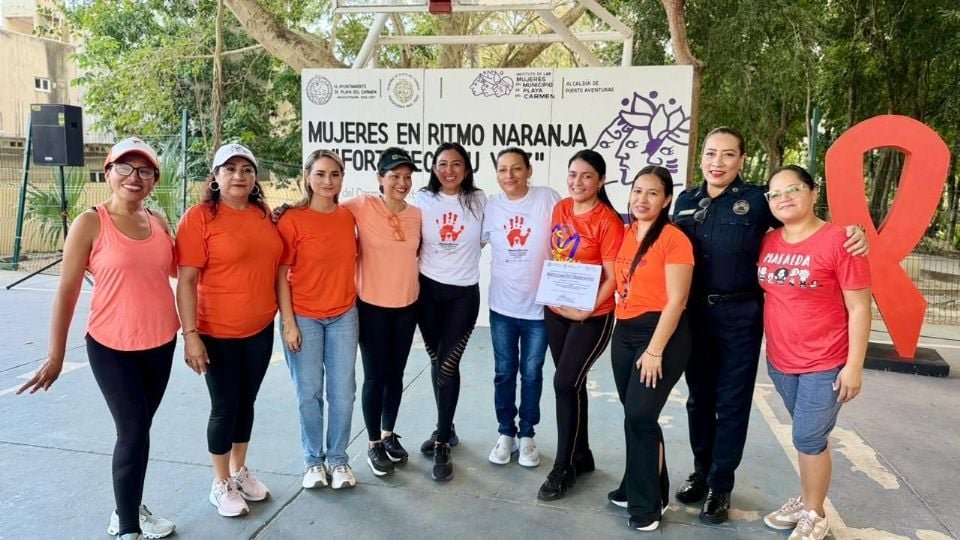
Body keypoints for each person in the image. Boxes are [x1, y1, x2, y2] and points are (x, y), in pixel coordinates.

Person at [672, 127, 868, 524]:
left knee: (731, 403)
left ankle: (719, 486)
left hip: (740, 317)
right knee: (698, 399)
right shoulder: (686, 200)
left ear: (741, 160)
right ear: (701, 157)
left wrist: (855, 231)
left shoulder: (757, 200)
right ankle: (700, 471)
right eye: (711, 153)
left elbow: (800, 221)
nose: (717, 162)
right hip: (694, 315)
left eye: (728, 155)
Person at [18, 137, 179, 540]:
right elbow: (67, 291)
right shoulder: (90, 223)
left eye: (144, 170)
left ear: (154, 179)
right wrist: (55, 355)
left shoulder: (158, 222)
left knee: (140, 430)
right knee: (133, 431)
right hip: (111, 347)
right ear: (108, 172)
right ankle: (127, 528)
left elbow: (184, 273)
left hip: (160, 342)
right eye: (124, 167)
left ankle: (129, 504)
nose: (134, 177)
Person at [758, 165, 870, 540]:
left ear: (813, 191)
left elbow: (859, 308)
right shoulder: (769, 241)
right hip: (781, 360)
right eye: (774, 194)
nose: (783, 198)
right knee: (809, 438)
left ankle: (815, 513)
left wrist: (854, 366)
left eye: (793, 189)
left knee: (808, 438)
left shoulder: (841, 240)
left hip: (825, 361)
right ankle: (806, 498)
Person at [175, 143, 282, 517]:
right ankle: (220, 482)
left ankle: (239, 471)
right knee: (224, 406)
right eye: (230, 169)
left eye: (246, 169)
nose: (239, 176)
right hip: (216, 331)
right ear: (216, 176)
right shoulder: (199, 217)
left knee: (246, 402)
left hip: (259, 328)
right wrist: (191, 335)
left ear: (254, 178)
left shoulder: (264, 214)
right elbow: (186, 281)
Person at [608, 166, 693, 532]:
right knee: (635, 414)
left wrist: (655, 350)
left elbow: (677, 301)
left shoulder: (675, 239)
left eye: (653, 193)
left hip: (660, 334)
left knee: (641, 417)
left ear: (667, 199)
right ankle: (639, 487)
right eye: (637, 191)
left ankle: (647, 507)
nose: (642, 199)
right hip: (624, 331)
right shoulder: (627, 232)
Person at [538, 149, 625, 501]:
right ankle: (582, 454)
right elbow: (556, 253)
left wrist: (586, 309)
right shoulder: (561, 208)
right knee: (572, 384)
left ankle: (563, 467)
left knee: (563, 383)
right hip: (557, 310)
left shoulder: (608, 221)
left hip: (593, 316)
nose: (577, 182)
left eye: (586, 176)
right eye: (573, 174)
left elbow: (614, 275)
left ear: (600, 181)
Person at [275, 150, 359, 490]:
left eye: (335, 175)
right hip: (304, 316)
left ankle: (338, 460)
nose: (328, 181)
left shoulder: (347, 217)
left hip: (343, 315)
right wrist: (289, 322)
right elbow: (281, 275)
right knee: (308, 392)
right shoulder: (292, 220)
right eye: (321, 174)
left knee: (343, 392)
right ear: (308, 176)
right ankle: (313, 461)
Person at [341, 148, 422, 478]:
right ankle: (373, 442)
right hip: (372, 306)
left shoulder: (416, 214)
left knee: (396, 374)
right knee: (375, 376)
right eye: (394, 176)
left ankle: (388, 435)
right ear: (380, 179)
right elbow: (323, 209)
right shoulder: (362, 206)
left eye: (406, 177)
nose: (402, 182)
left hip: (407, 306)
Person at [481, 147, 560, 468]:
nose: (509, 176)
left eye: (516, 169)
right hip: (502, 307)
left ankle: (527, 435)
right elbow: (468, 243)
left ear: (529, 171)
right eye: (502, 170)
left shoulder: (548, 198)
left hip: (539, 309)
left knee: (531, 374)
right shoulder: (491, 206)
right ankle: (505, 434)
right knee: (503, 373)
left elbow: (572, 236)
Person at [414, 142, 486, 481]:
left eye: (457, 164)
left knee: (447, 363)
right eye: (442, 164)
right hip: (426, 292)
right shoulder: (422, 199)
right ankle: (448, 426)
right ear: (433, 168)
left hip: (463, 295)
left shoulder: (478, 200)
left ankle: (442, 441)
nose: (449, 170)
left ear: (467, 168)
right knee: (437, 361)